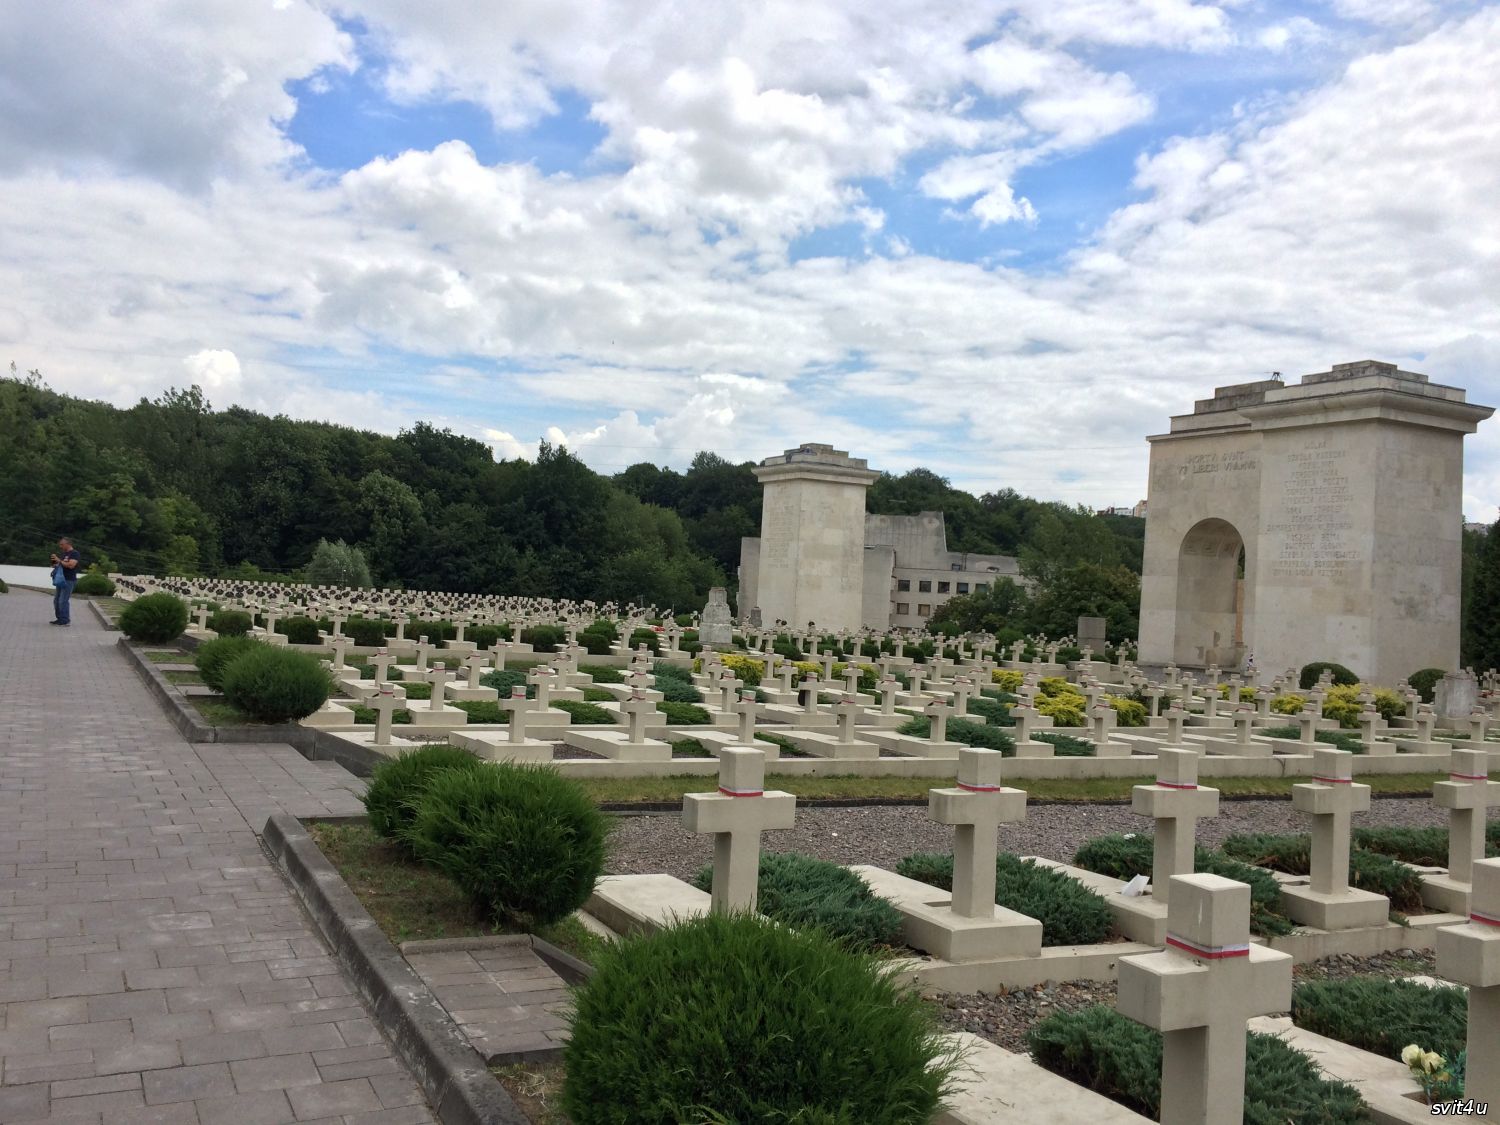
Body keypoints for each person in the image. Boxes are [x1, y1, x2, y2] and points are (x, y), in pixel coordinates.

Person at [49, 537, 81, 625]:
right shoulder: (64, 554)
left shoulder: (75, 553)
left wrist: (59, 560)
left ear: (68, 544)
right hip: (60, 579)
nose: (60, 546)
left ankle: (65, 620)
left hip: (69, 580)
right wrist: (54, 563)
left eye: (62, 544)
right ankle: (59, 618)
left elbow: (71, 565)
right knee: (56, 600)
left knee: (63, 600)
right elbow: (60, 565)